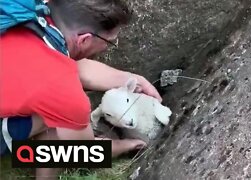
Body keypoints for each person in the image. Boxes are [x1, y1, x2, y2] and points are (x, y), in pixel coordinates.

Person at [0, 0, 162, 179]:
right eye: (110, 42)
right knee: (56, 121)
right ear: (84, 39)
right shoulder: (65, 94)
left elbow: (71, 67)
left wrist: (133, 80)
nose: (108, 47)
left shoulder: (27, 8)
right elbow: (82, 151)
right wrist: (128, 145)